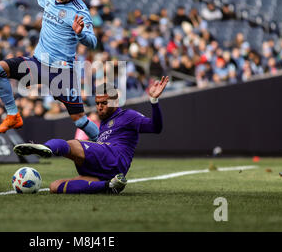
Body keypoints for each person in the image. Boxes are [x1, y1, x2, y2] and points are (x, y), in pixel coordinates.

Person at [0, 0, 99, 141]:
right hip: (38, 63)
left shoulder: (80, 12)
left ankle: (108, 146)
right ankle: (13, 115)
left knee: (79, 120)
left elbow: (93, 42)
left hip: (62, 72)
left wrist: (80, 33)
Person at [13, 77, 169, 194]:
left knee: (73, 144)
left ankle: (46, 148)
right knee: (55, 186)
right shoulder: (104, 124)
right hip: (107, 171)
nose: (100, 107)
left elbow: (156, 127)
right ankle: (109, 186)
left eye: (104, 103)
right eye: (97, 103)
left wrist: (154, 100)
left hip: (114, 157)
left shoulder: (129, 116)